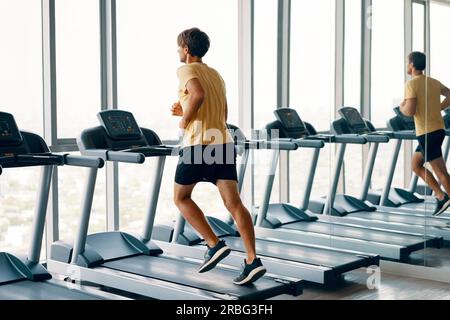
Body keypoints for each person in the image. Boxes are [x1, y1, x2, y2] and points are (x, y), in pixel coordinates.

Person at [170, 27, 266, 285]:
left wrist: (185, 121)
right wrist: (187, 112)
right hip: (222, 141)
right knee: (234, 204)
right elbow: (222, 112)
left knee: (181, 198)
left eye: (179, 47)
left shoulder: (185, 70)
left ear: (186, 50)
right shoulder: (215, 74)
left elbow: (198, 95)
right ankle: (252, 260)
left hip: (198, 144)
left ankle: (214, 245)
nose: (178, 51)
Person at [400, 51, 450, 215]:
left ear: (412, 65)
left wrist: (402, 107)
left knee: (441, 172)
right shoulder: (433, 82)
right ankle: (440, 195)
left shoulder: (411, 84)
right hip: (437, 129)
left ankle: (443, 196)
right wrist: (439, 107)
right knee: (416, 165)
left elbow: (410, 110)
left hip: (427, 132)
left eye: (408, 63)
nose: (407, 65)